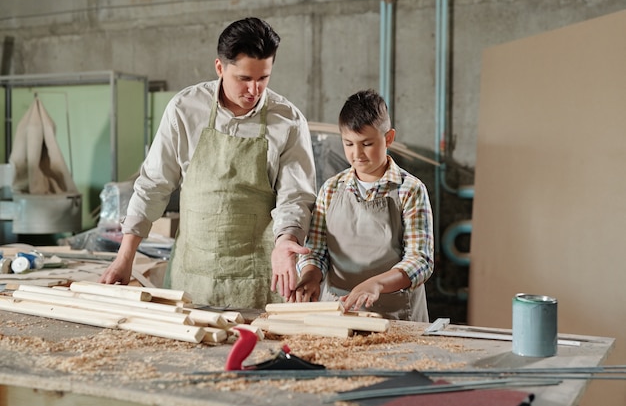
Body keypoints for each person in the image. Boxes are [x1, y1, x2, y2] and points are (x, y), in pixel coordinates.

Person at [99, 17, 317, 309]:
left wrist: (286, 240)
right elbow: (154, 184)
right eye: (244, 78)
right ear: (219, 68)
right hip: (191, 280)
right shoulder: (185, 109)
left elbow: (295, 197)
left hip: (256, 283)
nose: (254, 90)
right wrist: (124, 259)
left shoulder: (288, 120)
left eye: (263, 78)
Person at [293, 89, 434, 322]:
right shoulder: (331, 189)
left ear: (388, 138)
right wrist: (309, 277)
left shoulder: (410, 190)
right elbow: (316, 251)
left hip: (395, 317)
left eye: (367, 144)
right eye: (348, 143)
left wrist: (376, 284)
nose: (356, 154)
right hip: (338, 314)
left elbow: (420, 260)